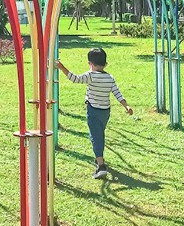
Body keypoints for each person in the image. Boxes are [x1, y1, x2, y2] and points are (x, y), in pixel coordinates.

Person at [55, 47, 131, 179]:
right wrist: (126, 105)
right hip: (105, 112)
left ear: (90, 64)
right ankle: (99, 158)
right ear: (105, 64)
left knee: (95, 137)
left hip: (93, 111)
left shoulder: (90, 76)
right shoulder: (109, 78)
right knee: (99, 135)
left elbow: (75, 78)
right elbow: (117, 93)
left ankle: (101, 166)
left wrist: (62, 67)